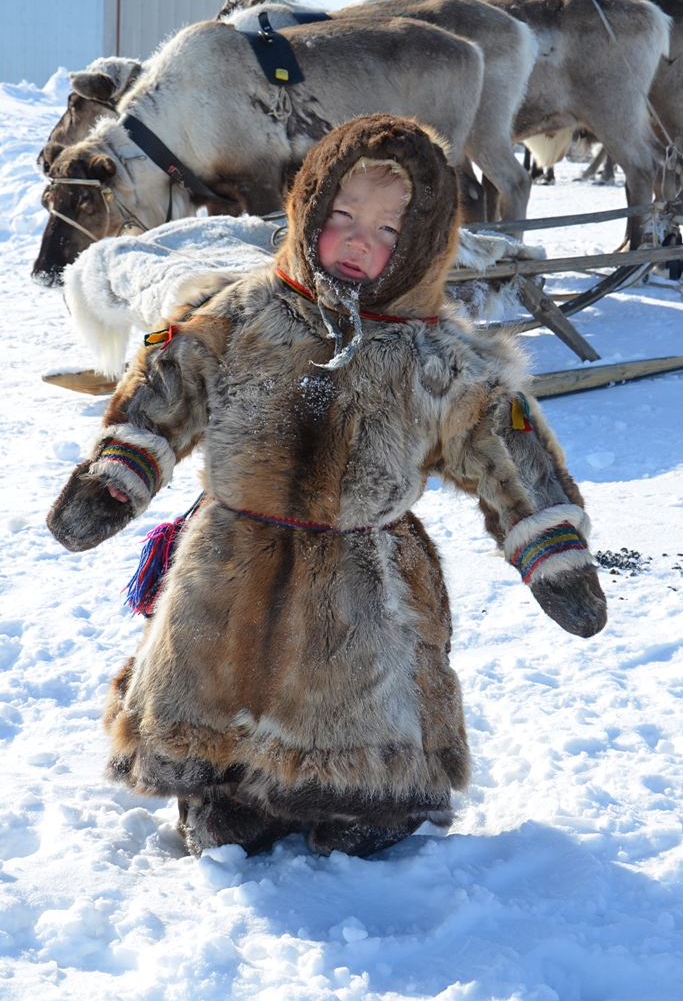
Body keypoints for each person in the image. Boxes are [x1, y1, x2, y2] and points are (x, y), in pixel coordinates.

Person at [47, 114, 607, 859]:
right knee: (208, 703)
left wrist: (554, 555)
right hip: (227, 560)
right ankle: (221, 790)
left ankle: (368, 801)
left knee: (357, 732)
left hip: (358, 582)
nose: (357, 240)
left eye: (387, 229)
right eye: (341, 215)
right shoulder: (237, 312)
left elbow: (506, 449)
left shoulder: (438, 357)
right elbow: (164, 385)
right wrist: (115, 476)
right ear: (308, 208)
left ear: (421, 243)